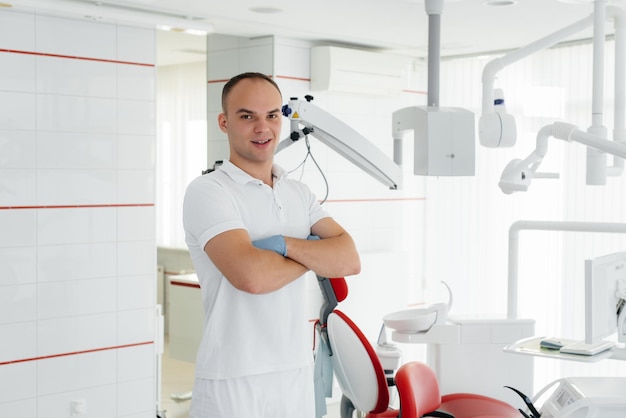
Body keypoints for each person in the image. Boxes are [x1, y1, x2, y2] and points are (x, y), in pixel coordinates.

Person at [182, 72, 361, 418]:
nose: (262, 128)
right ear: (224, 122)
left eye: (272, 115)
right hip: (232, 379)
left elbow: (349, 259)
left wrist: (282, 246)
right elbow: (252, 278)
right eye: (247, 116)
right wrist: (313, 253)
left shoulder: (298, 193)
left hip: (293, 372)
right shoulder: (209, 192)